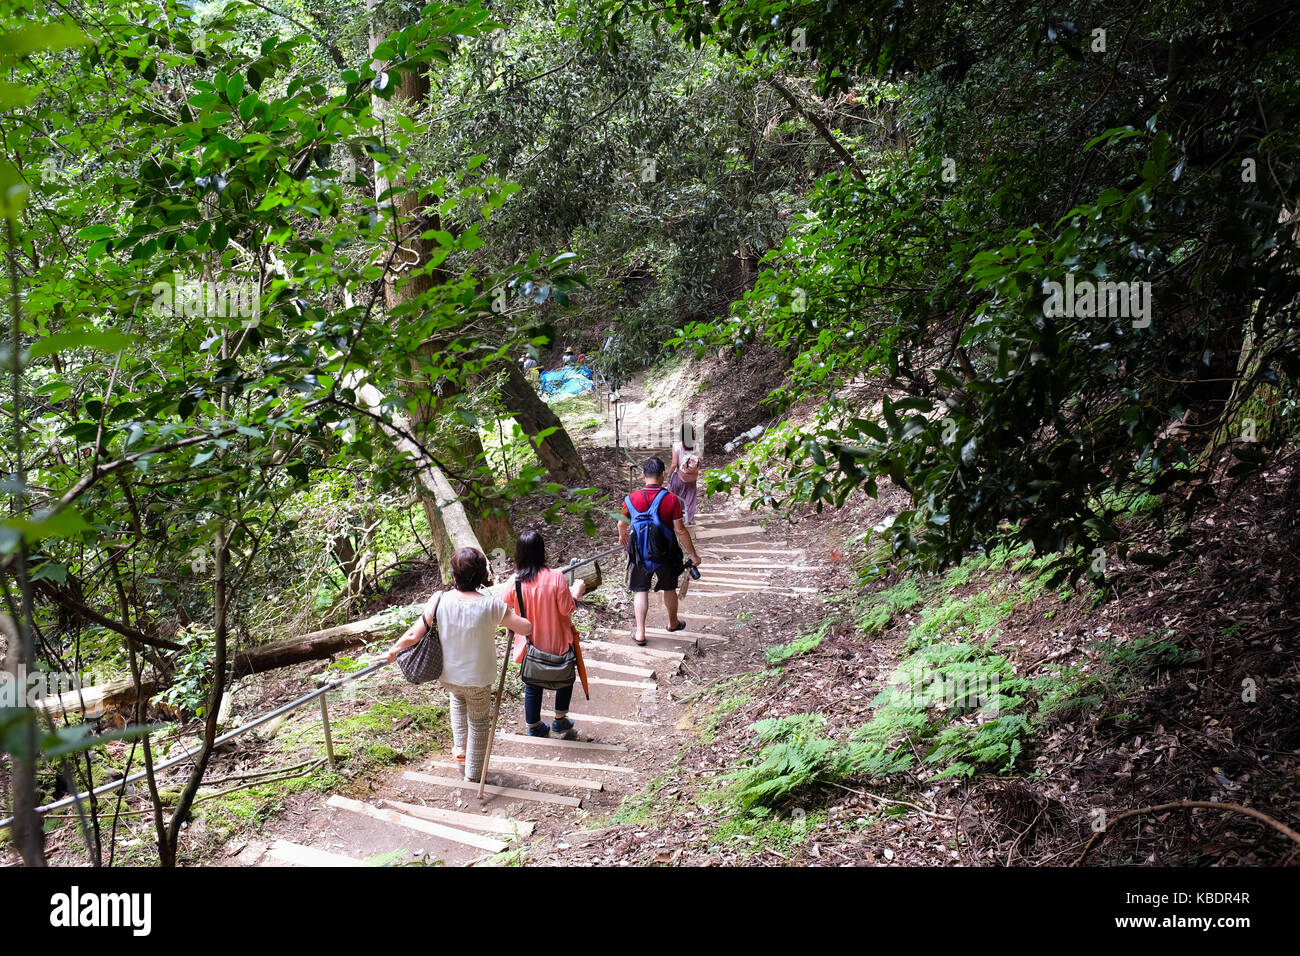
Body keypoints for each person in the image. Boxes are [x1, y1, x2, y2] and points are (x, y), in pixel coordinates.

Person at [383, 547, 531, 782]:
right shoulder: (491, 605)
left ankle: (461, 750)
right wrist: (517, 616)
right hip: (478, 680)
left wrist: (393, 651)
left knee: (457, 700)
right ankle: (473, 774)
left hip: (449, 675)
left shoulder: (439, 599)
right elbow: (525, 628)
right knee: (479, 721)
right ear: (482, 575)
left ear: (454, 575)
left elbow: (414, 634)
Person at [504, 530, 587, 739]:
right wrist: (577, 592)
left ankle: (534, 726)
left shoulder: (515, 581)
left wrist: (510, 626)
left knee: (532, 683)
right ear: (542, 551)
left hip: (530, 644)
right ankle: (560, 721)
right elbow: (567, 609)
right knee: (565, 679)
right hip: (558, 640)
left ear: (519, 553)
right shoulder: (556, 577)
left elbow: (503, 608)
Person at [619, 457, 703, 646]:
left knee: (641, 590)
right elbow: (680, 530)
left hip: (639, 554)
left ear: (642, 475)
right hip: (666, 553)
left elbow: (621, 523)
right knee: (669, 587)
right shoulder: (671, 499)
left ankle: (640, 632)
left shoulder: (631, 499)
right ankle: (673, 623)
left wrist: (622, 536)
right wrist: (693, 555)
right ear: (663, 475)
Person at [667, 425, 702, 525]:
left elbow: (674, 464)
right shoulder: (696, 445)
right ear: (692, 433)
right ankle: (689, 519)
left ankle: (676, 518)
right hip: (692, 477)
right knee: (690, 497)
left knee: (675, 496)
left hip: (679, 476)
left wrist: (669, 476)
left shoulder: (677, 446)